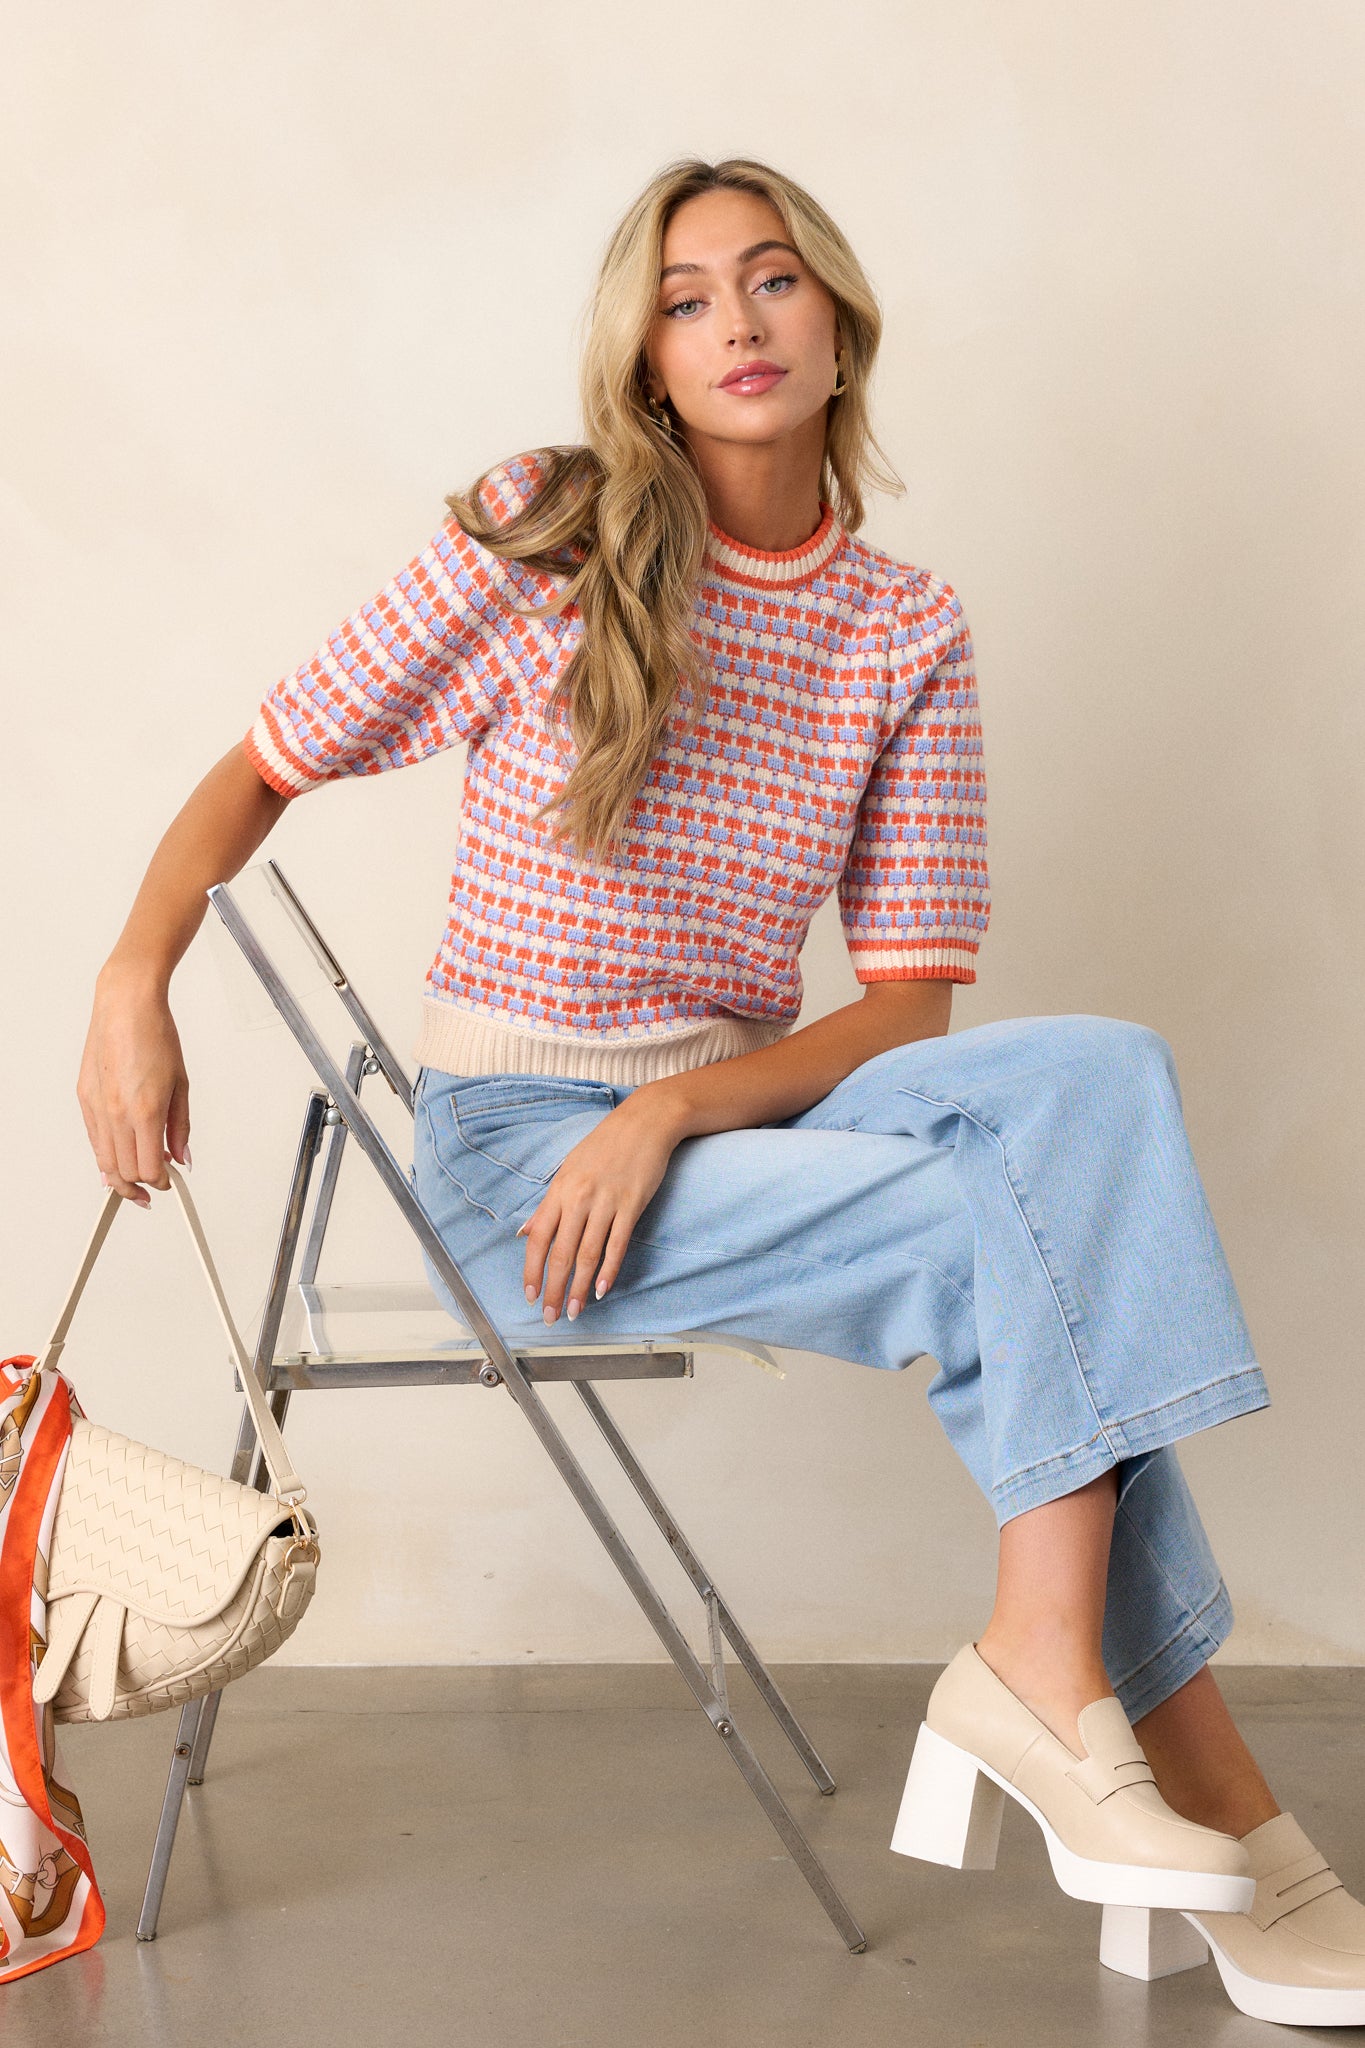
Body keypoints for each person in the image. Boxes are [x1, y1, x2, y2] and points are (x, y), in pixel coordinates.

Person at [77, 155, 1365, 2027]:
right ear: (648, 359)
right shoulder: (548, 536)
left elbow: (909, 1006)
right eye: (686, 298)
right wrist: (133, 973)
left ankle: (1045, 1668)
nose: (736, 322)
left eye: (771, 283)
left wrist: (677, 1106)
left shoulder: (902, 627)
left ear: (838, 327)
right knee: (1023, 1236)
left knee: (1103, 1082)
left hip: (726, 1121)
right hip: (524, 1172)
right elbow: (263, 764)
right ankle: (1187, 1782)